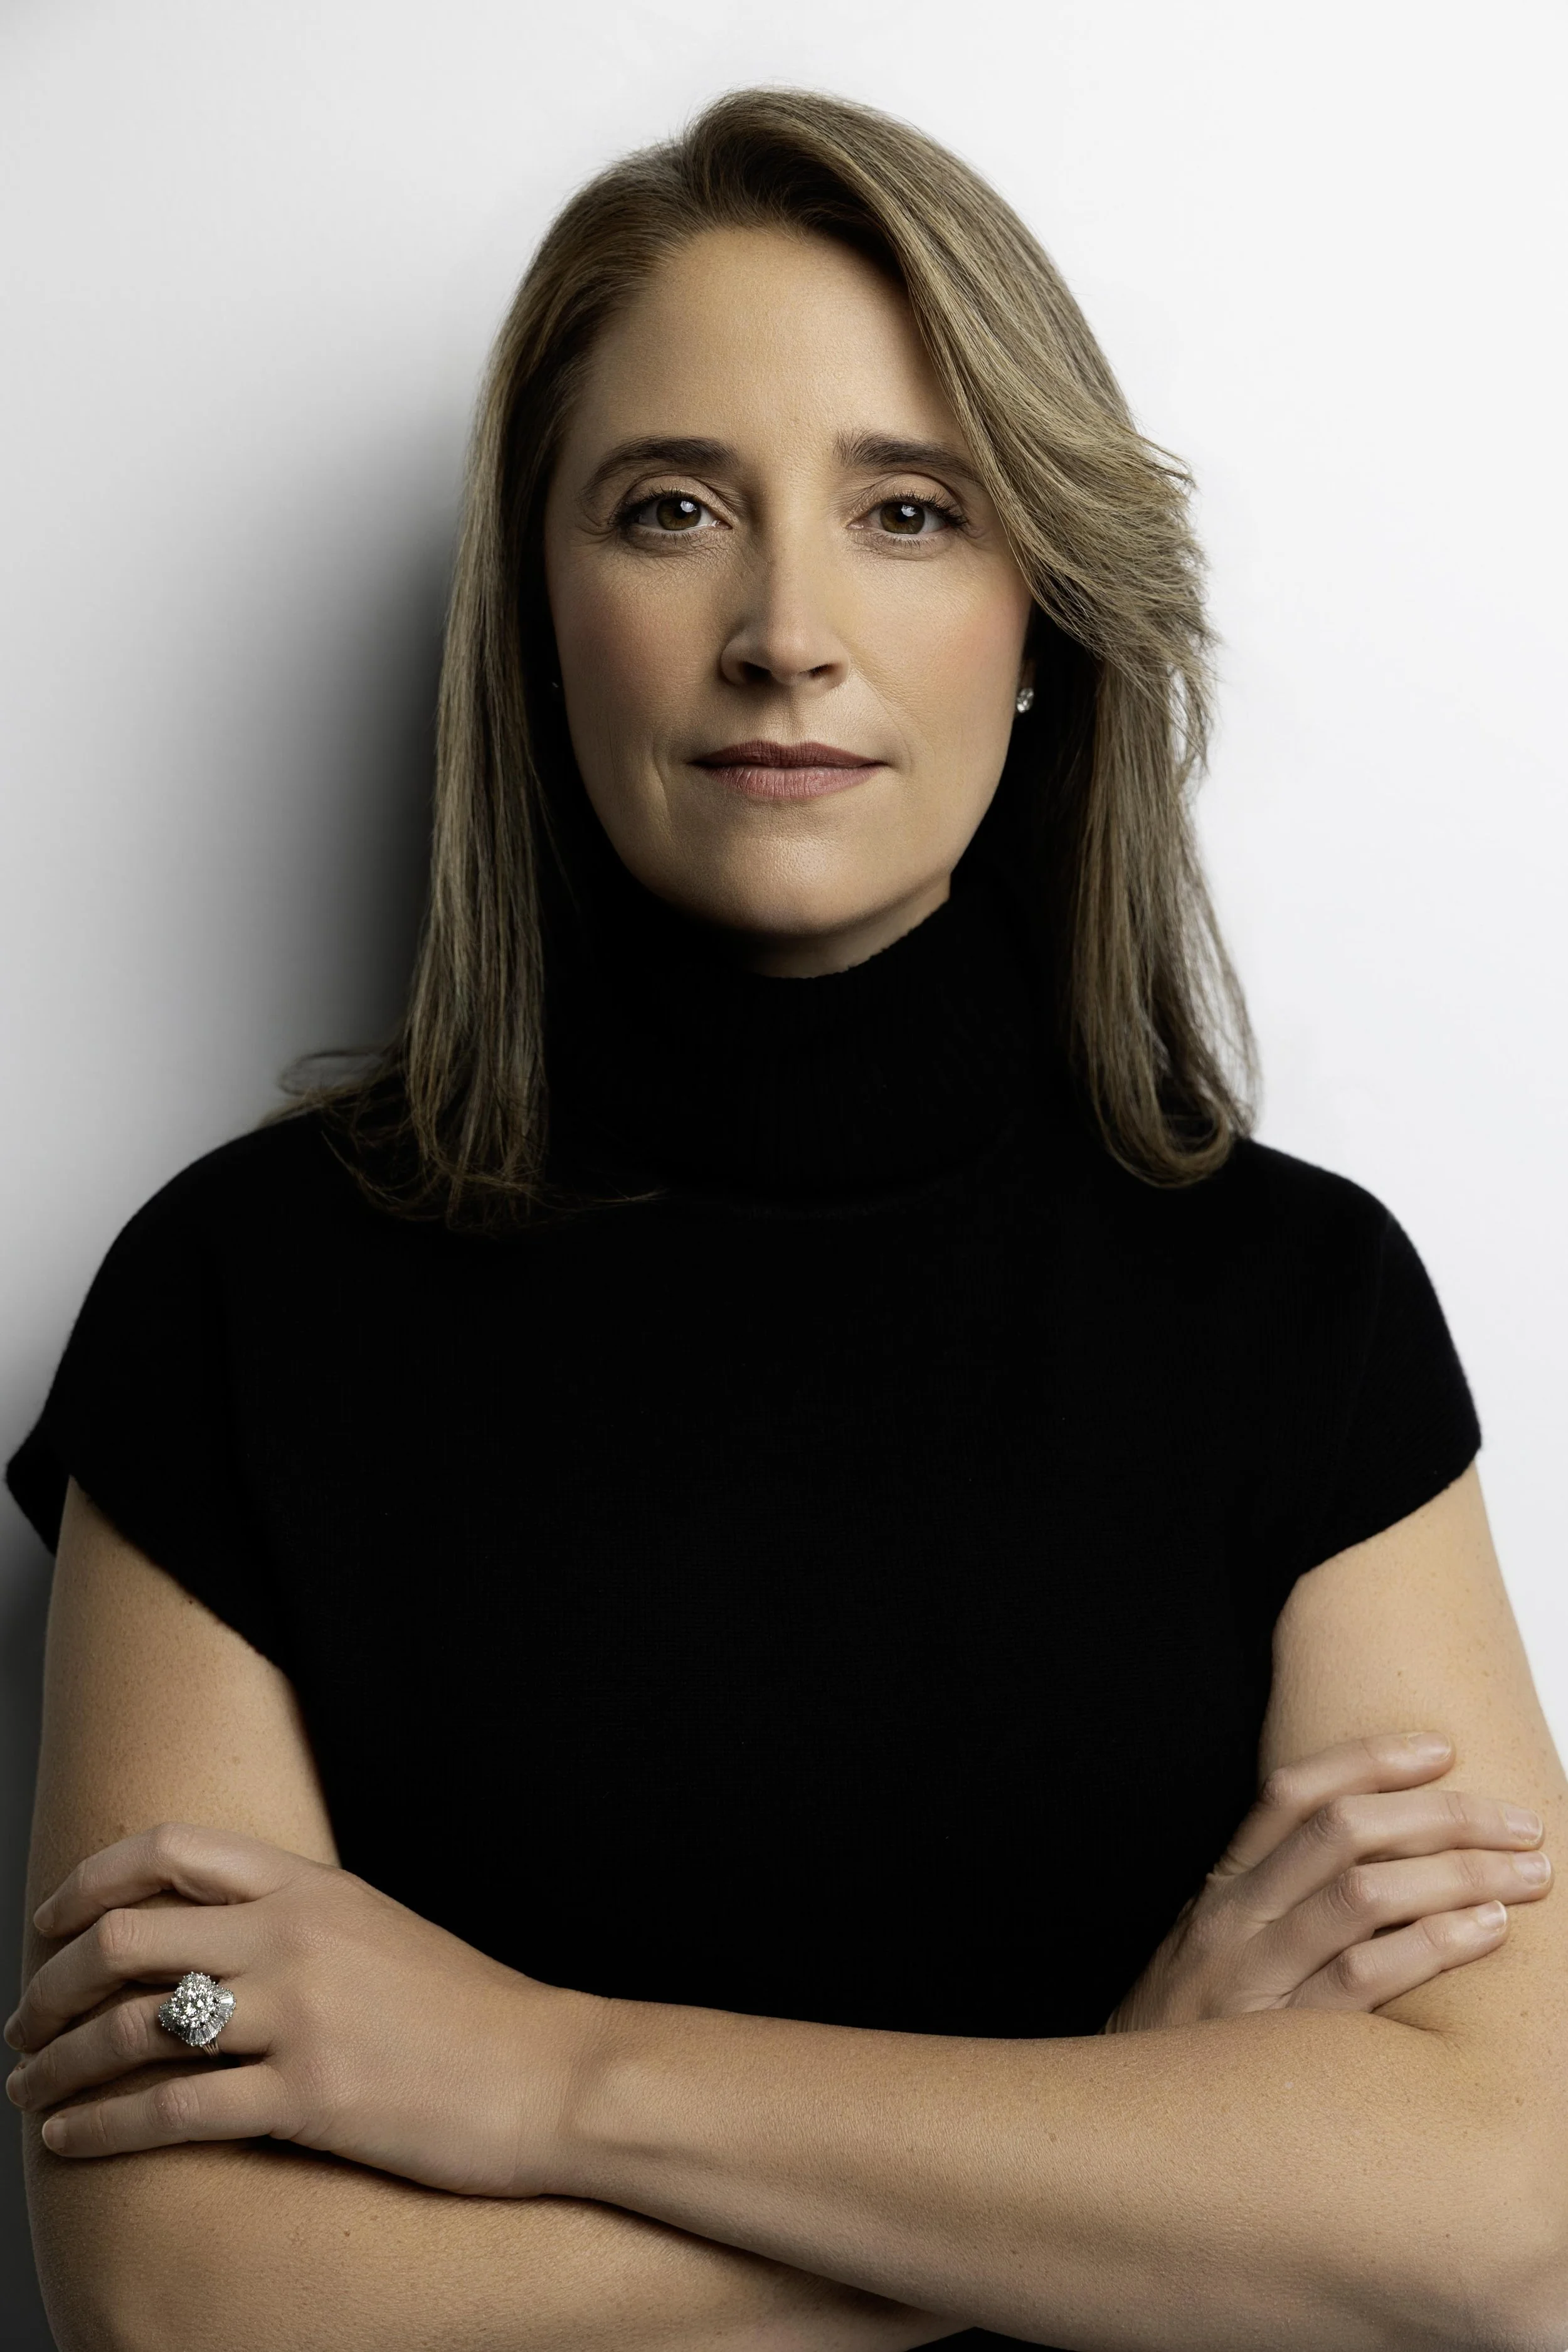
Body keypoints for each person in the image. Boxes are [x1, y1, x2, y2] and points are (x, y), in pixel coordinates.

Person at [5, 87, 1565, 2352]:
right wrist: (1122, 2136)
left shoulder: (1287, 1307)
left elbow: (1506, 2212)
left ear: (1041, 616)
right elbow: (192, 2305)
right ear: (539, 608)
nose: (784, 632)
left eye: (907, 511)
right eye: (668, 512)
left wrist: (548, 2079)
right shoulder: (235, 1306)